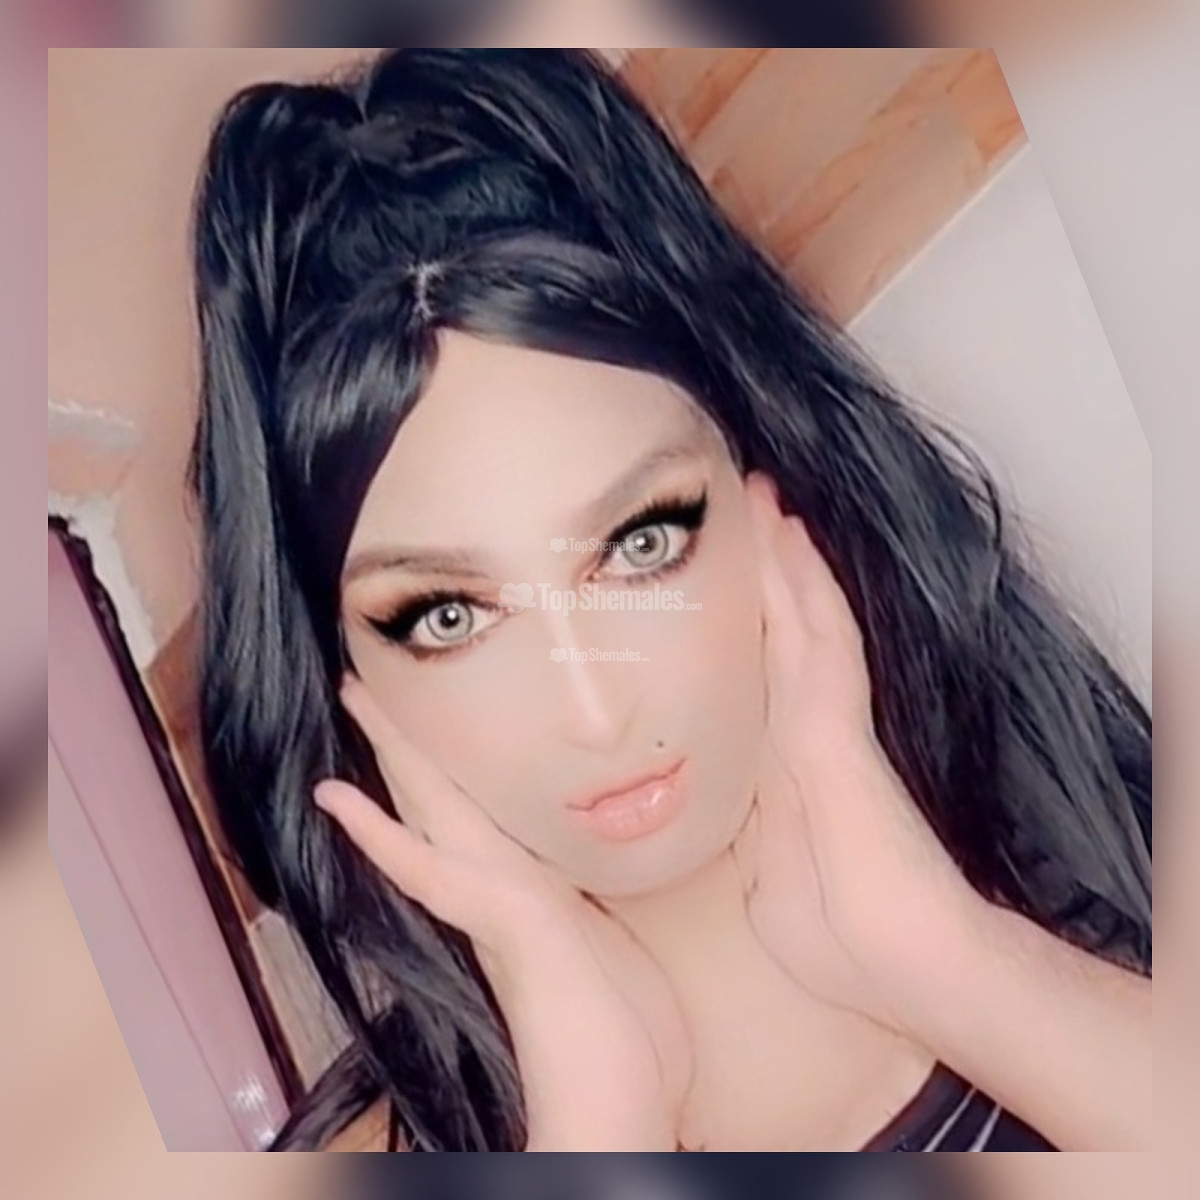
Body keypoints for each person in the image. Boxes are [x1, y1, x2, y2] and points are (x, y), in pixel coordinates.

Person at [186, 48, 1151, 1152]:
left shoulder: (1110, 844)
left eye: (641, 543)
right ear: (342, 671)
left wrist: (946, 959)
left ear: (764, 481)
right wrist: (599, 1119)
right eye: (448, 616)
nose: (594, 710)